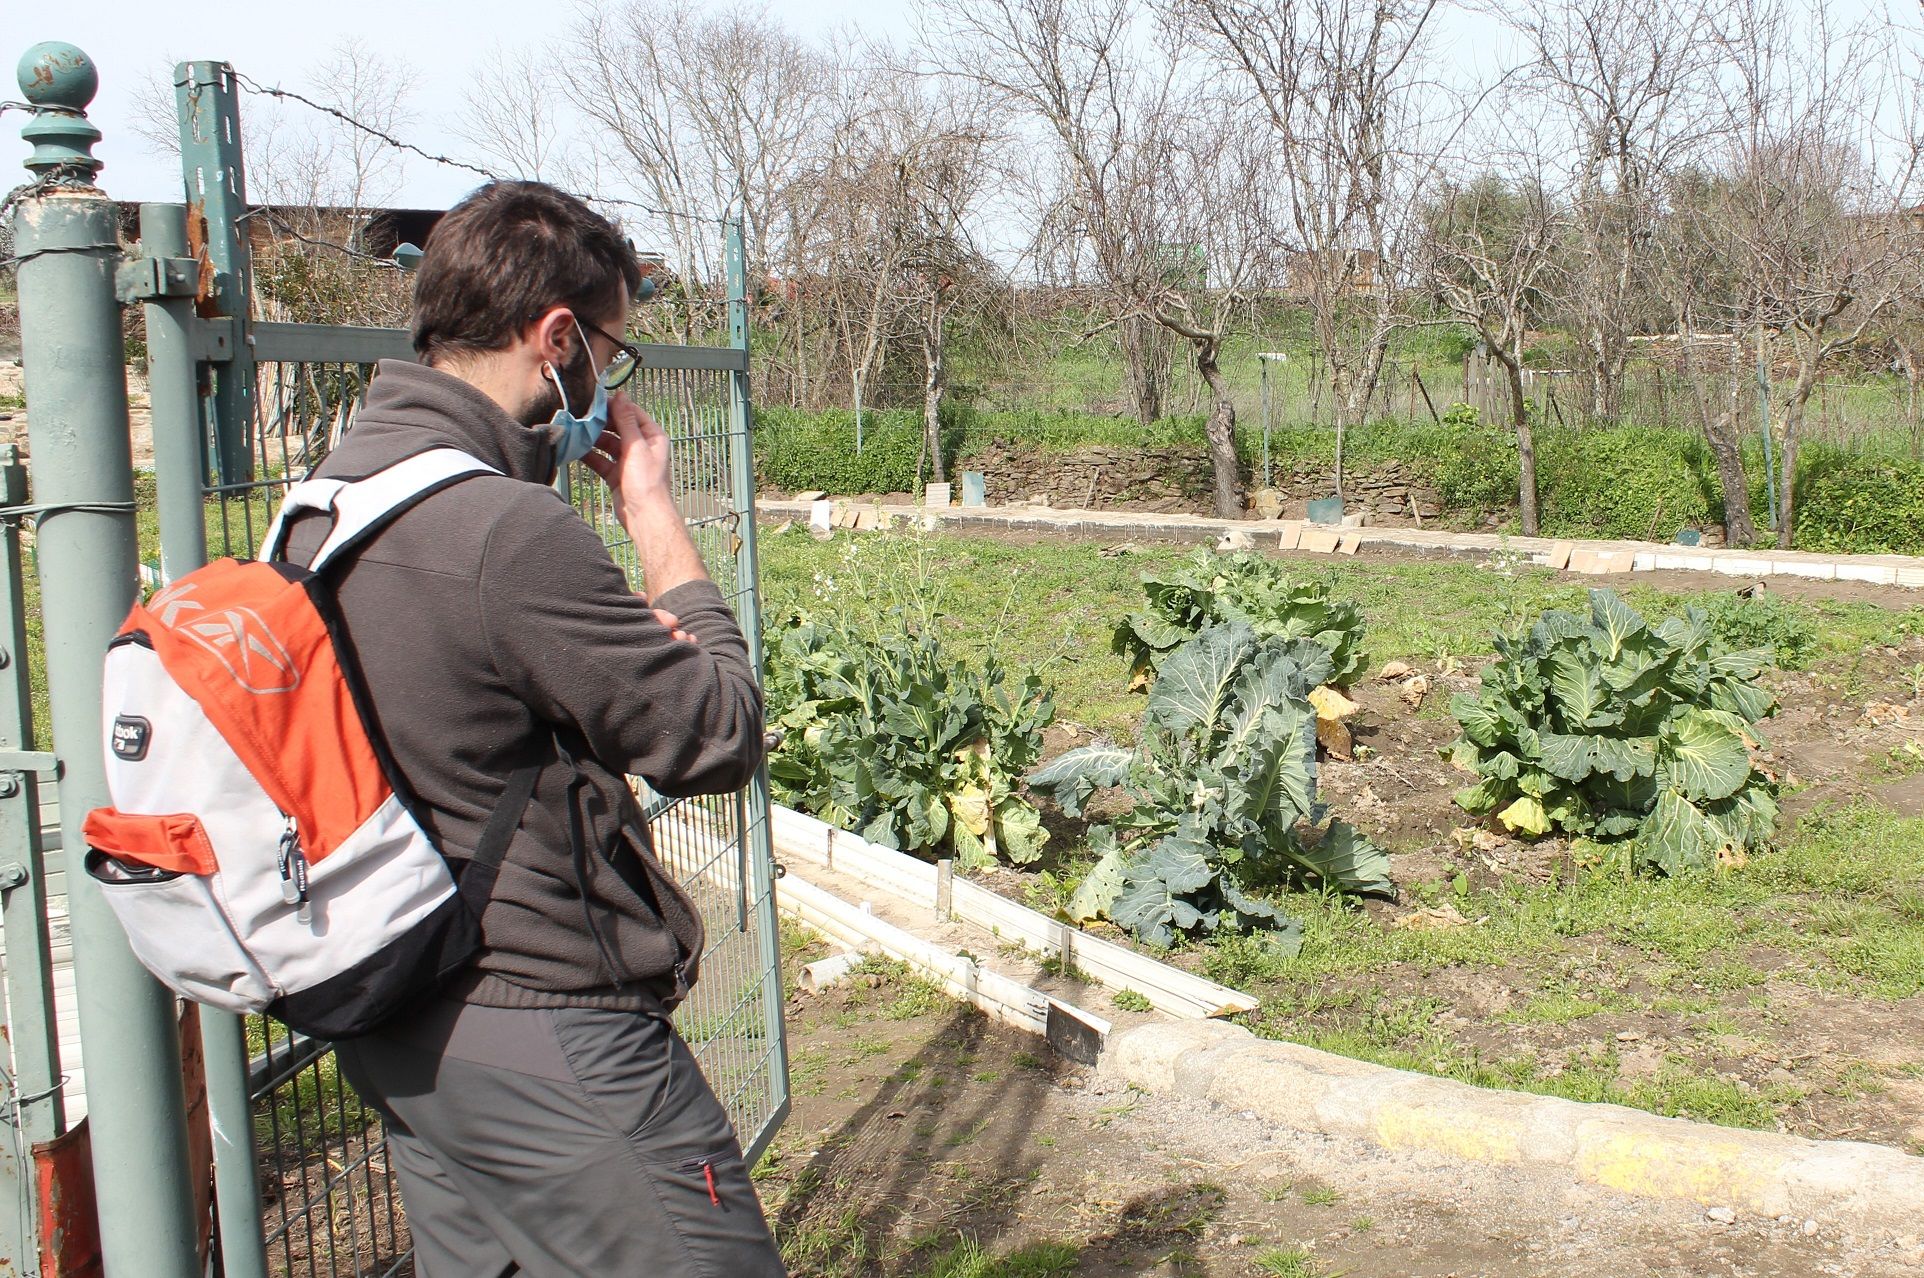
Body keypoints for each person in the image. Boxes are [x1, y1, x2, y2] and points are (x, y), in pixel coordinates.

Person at [280, 181, 786, 1276]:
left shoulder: (325, 502)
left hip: (401, 1011)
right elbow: (719, 733)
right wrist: (653, 515)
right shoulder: (504, 532)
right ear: (558, 338)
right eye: (612, 348)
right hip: (546, 1023)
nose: (610, 376)